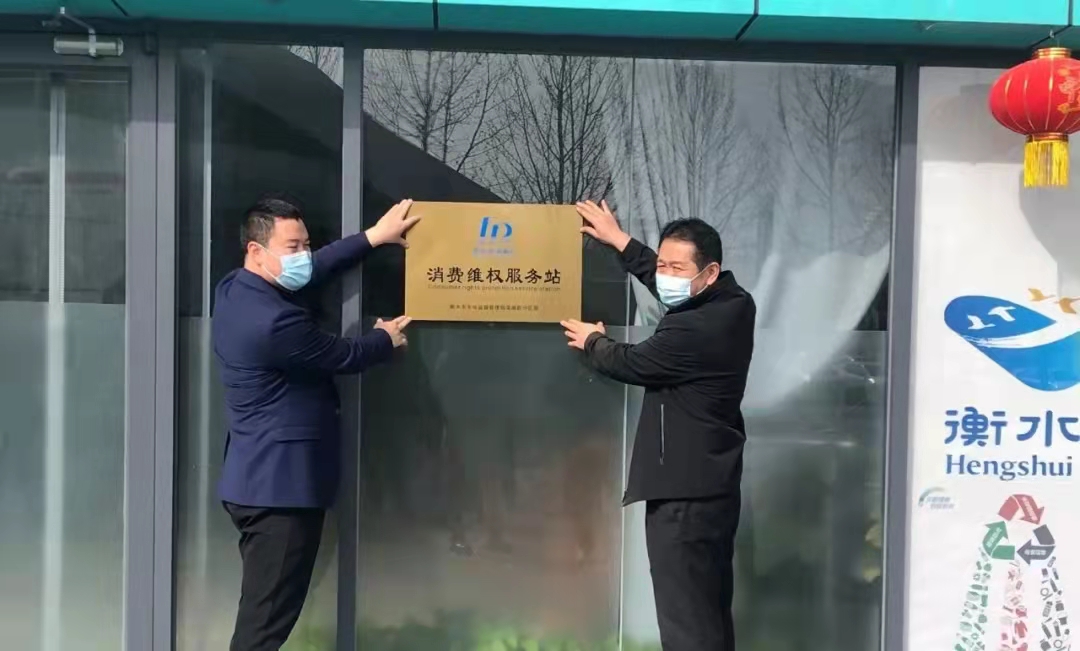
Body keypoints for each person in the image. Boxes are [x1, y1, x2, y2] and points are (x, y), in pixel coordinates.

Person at [213, 195, 419, 651]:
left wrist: (373, 237)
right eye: (293, 247)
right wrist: (384, 338)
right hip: (280, 495)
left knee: (263, 614)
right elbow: (343, 355)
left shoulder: (235, 289)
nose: (304, 256)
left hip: (256, 480)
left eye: (306, 244)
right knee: (263, 628)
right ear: (256, 251)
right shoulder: (275, 322)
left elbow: (315, 269)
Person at [561, 200, 756, 651]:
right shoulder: (733, 302)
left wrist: (592, 340)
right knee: (707, 611)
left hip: (683, 497)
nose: (664, 275)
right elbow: (664, 276)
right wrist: (620, 241)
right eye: (662, 264)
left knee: (686, 621)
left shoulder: (692, 330)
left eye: (676, 268)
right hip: (712, 487)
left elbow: (632, 362)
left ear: (709, 272)